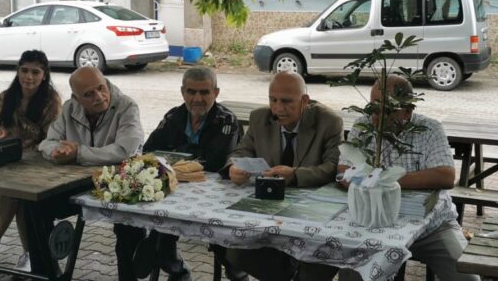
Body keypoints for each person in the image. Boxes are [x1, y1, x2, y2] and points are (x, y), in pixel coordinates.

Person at [334, 75, 479, 281]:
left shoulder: (429, 128)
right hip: (373, 223)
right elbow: (344, 171)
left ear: (408, 110)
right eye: (373, 108)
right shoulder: (363, 126)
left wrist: (384, 181)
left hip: (432, 227)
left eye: (387, 110)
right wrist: (376, 182)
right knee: (353, 274)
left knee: (468, 278)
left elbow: (446, 175)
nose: (376, 117)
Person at [223, 71, 343, 281]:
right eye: (273, 100)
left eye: (286, 101)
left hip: (312, 212)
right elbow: (241, 151)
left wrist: (295, 175)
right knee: (235, 252)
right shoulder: (259, 118)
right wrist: (233, 167)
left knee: (317, 267)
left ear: (304, 101)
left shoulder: (329, 121)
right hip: (267, 209)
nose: (278, 108)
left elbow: (333, 167)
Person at [136, 66, 245, 281]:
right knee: (161, 226)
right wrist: (184, 163)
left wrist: (171, 160)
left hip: (215, 198)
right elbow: (149, 151)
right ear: (183, 92)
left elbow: (214, 162)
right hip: (175, 193)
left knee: (223, 244)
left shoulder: (226, 120)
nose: (197, 98)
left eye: (204, 92)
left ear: (216, 93)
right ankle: (176, 268)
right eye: (191, 92)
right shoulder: (173, 116)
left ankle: (237, 273)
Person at [38, 66, 145, 280]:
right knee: (35, 207)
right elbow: (47, 143)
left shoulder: (126, 106)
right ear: (76, 98)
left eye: (101, 88)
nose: (99, 96)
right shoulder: (69, 108)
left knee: (130, 224)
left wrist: (79, 153)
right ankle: (47, 273)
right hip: (77, 183)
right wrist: (58, 151)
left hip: (119, 183)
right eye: (88, 94)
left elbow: (124, 150)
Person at [0, 50, 62, 270]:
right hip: (9, 160)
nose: (29, 77)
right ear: (18, 71)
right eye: (24, 70)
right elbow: (3, 131)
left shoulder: (51, 101)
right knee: (18, 197)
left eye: (35, 72)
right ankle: (28, 254)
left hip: (39, 163)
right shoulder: (6, 97)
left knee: (18, 195)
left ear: (44, 74)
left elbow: (50, 138)